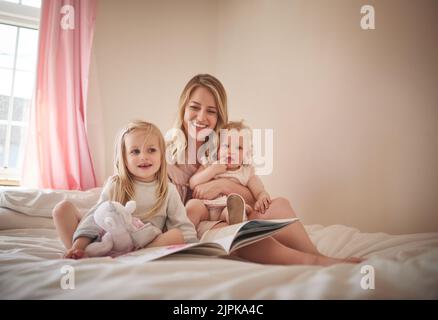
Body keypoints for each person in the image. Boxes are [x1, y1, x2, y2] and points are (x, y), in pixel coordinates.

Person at [167, 74, 362, 265]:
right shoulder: (166, 155)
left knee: (278, 204)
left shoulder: (224, 147)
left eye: (211, 111)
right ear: (183, 108)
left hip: (232, 208)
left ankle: (317, 254)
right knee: (245, 232)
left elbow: (251, 197)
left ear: (219, 117)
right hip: (201, 221)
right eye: (194, 107)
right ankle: (313, 261)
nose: (201, 117)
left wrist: (222, 184)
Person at [53, 120, 198, 259]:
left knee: (176, 234)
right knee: (62, 209)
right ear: (124, 158)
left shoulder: (168, 190)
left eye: (151, 150)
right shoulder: (116, 184)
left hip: (143, 244)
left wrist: (191, 245)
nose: (144, 157)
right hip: (108, 239)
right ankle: (76, 253)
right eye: (135, 151)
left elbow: (182, 226)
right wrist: (79, 244)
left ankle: (136, 256)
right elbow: (95, 217)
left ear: (161, 156)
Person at [186, 120, 271, 230]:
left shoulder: (246, 172)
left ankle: (236, 225)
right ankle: (186, 236)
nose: (231, 151)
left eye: (239, 148)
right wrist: (211, 171)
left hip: (226, 209)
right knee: (193, 206)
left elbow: (259, 191)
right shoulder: (210, 164)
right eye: (226, 145)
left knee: (235, 209)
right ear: (218, 148)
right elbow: (193, 183)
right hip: (206, 207)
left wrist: (262, 196)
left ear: (247, 153)